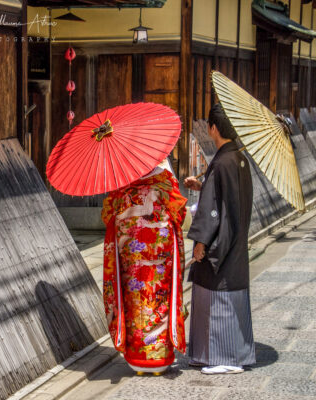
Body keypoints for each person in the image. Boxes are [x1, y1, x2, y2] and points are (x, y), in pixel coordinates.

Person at [183, 102, 255, 375]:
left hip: (220, 245)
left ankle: (222, 356)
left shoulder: (221, 162)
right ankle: (230, 353)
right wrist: (202, 185)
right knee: (230, 295)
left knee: (216, 295)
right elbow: (228, 198)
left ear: (213, 128)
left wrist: (201, 244)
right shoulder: (237, 158)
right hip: (235, 239)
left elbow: (213, 210)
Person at [102, 159, 187, 375]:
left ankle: (137, 358)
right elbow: (180, 213)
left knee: (134, 304)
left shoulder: (122, 184)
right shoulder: (164, 181)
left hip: (130, 255)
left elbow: (108, 216)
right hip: (159, 255)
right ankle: (160, 358)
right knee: (159, 299)